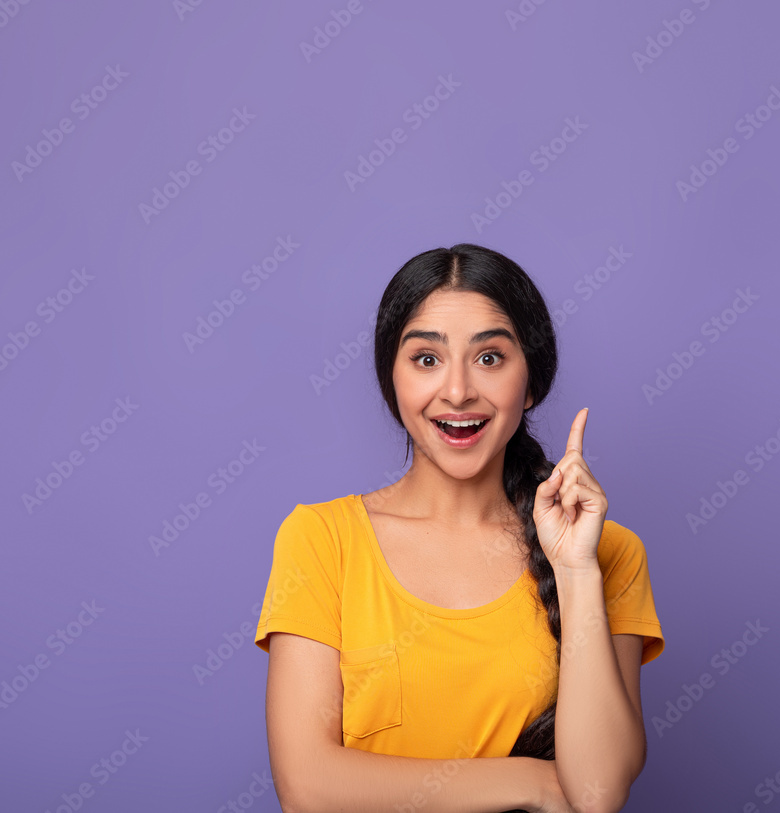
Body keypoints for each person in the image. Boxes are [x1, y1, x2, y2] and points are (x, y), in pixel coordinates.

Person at [254, 243, 665, 813]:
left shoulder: (606, 553)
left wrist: (574, 573)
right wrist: (533, 782)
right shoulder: (322, 540)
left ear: (533, 380)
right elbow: (307, 787)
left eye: (490, 358)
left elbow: (596, 794)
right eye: (426, 359)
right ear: (391, 381)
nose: (457, 391)